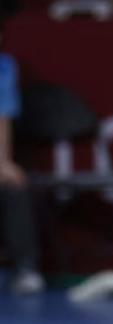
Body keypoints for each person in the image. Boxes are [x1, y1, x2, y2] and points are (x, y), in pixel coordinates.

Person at [0, 30, 44, 295]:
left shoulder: (3, 67)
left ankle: (25, 268)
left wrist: (2, 161)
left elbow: (2, 116)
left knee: (14, 184)